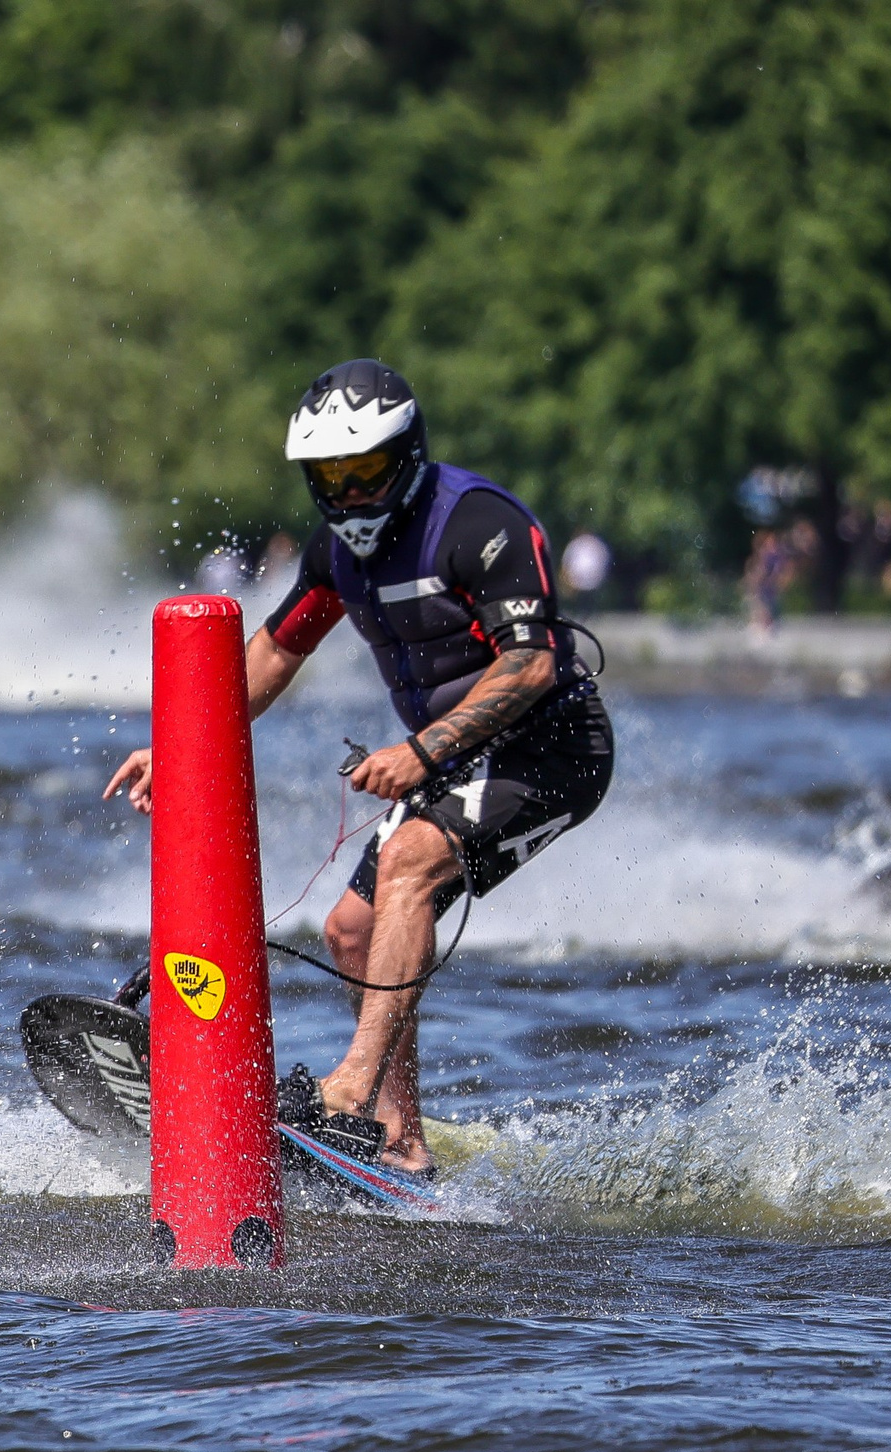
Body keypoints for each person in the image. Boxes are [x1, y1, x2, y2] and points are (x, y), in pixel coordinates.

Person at [104, 359, 613, 1175]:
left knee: (409, 865)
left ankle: (350, 1088)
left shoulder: (479, 524)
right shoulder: (337, 555)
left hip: (550, 752)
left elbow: (531, 667)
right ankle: (402, 1139)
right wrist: (181, 742)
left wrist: (419, 752)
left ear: (406, 454)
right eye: (328, 478)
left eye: (365, 472)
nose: (348, 496)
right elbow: (273, 651)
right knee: (349, 930)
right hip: (454, 764)